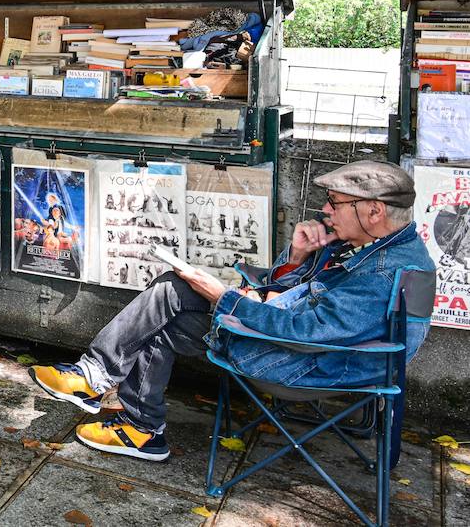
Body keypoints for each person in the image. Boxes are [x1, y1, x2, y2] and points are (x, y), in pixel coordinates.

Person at [30, 160, 433, 463]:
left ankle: (117, 401)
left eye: (336, 203)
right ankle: (120, 406)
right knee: (170, 297)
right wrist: (295, 258)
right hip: (305, 346)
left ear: (375, 211)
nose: (327, 210)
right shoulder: (371, 245)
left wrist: (226, 298)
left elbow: (306, 333)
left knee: (169, 300)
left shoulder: (384, 270)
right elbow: (290, 294)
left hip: (308, 364)